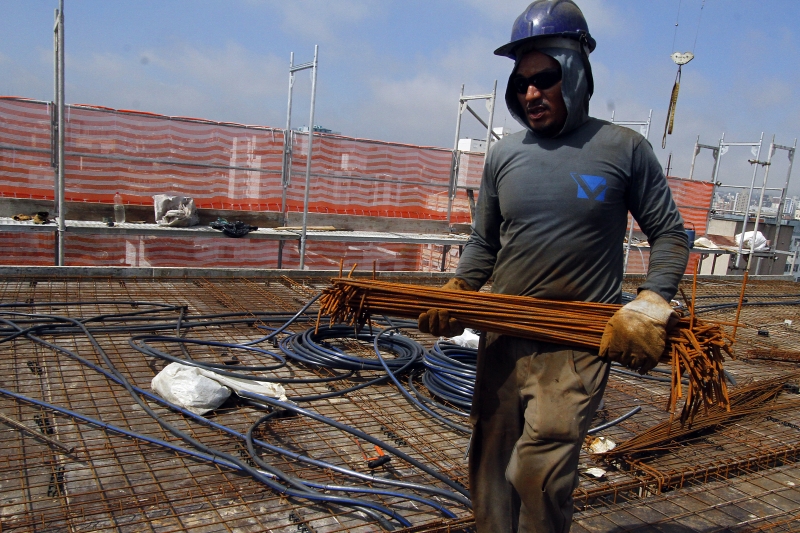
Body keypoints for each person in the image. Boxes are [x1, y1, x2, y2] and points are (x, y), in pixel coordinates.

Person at [418, 1, 690, 531]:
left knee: (537, 472)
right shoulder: (504, 155)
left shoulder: (623, 149)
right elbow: (484, 241)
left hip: (574, 345)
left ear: (578, 74)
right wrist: (459, 290)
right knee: (491, 469)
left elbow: (670, 234)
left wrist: (652, 303)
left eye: (545, 78)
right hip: (503, 336)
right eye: (521, 84)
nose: (531, 93)